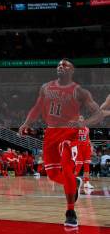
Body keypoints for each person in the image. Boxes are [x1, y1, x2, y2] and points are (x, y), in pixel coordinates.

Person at [19, 59, 105, 227]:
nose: (61, 66)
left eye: (65, 65)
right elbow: (37, 108)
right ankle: (75, 182)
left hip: (69, 133)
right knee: (52, 174)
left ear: (72, 70)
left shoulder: (80, 91)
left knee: (66, 169)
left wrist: (84, 123)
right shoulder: (45, 87)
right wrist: (27, 123)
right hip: (51, 133)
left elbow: (99, 114)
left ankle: (70, 211)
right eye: (59, 64)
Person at [73, 116, 94, 190]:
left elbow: (88, 138)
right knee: (79, 165)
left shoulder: (87, 129)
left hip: (86, 148)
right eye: (78, 118)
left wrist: (91, 146)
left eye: (81, 118)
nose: (80, 119)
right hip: (78, 148)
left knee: (87, 166)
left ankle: (86, 183)